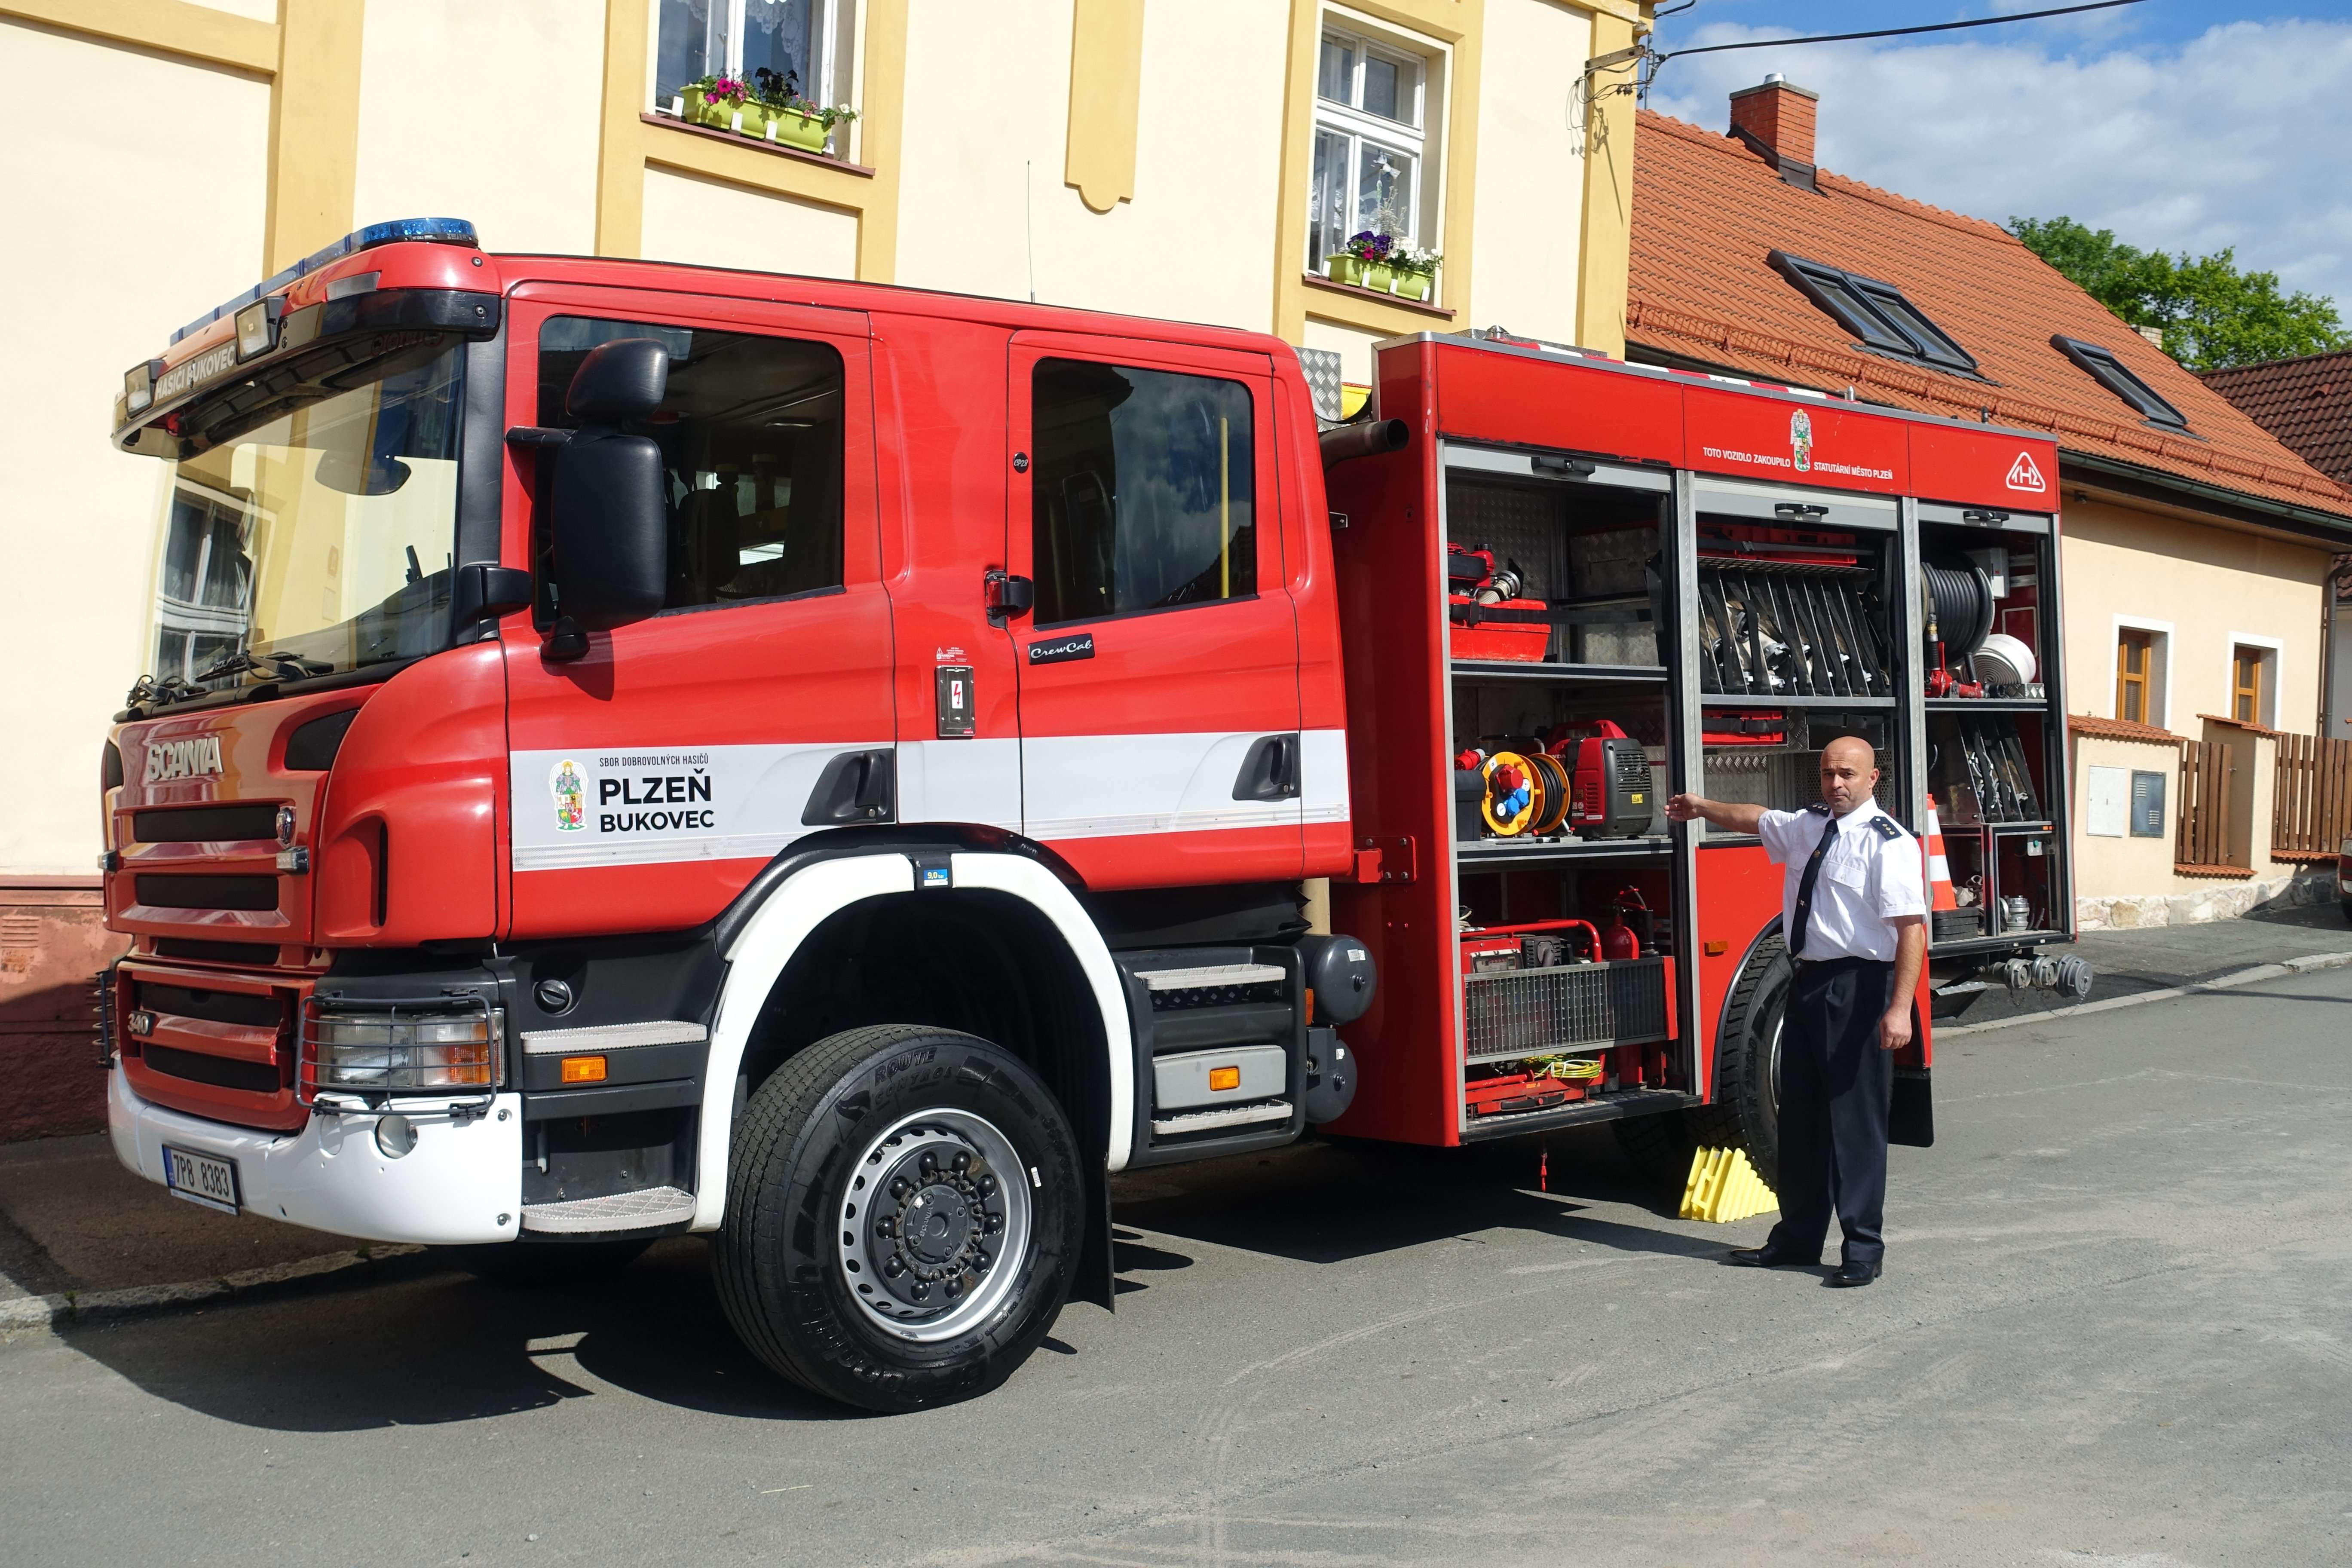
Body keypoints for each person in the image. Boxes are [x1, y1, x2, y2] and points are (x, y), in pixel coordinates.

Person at [1665, 736, 1926, 1287]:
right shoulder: (1809, 826)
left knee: (1855, 1124)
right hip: (1805, 985)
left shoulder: (1891, 843)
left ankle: (1862, 1248)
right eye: (1829, 774)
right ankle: (1798, 1239)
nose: (1836, 784)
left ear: (1873, 779)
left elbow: (1911, 931)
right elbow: (1756, 817)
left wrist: (1900, 1009)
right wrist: (1701, 808)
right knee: (1802, 1120)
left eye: (1848, 775)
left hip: (1860, 987)